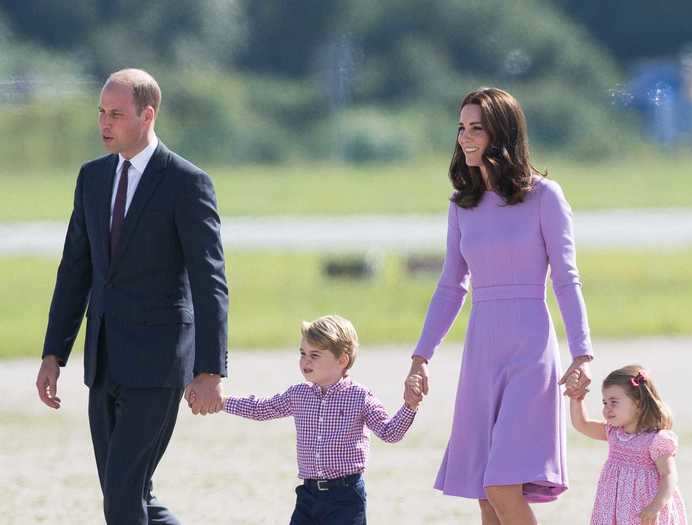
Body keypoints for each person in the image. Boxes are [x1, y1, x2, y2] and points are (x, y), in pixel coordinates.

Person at [34, 68, 229, 525]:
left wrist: (210, 370)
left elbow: (210, 281)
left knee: (123, 502)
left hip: (157, 367)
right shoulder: (92, 179)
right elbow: (75, 271)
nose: (104, 123)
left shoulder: (187, 182)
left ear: (147, 115)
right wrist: (52, 354)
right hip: (102, 363)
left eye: (116, 114)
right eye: (101, 112)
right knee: (130, 499)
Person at [404, 87, 593, 525]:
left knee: (501, 484)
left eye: (476, 129)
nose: (465, 138)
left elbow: (566, 278)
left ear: (502, 134)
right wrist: (420, 357)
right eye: (461, 129)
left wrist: (583, 353)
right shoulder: (462, 205)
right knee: (485, 494)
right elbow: (451, 285)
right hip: (481, 354)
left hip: (530, 350)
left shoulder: (545, 196)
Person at [201, 315, 420, 525]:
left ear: (342, 360)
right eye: (302, 353)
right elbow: (262, 408)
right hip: (308, 495)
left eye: (315, 355)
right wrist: (223, 402)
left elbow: (389, 432)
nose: (305, 361)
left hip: (345, 495)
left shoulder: (360, 397)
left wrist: (409, 406)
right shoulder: (299, 394)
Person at [568, 365, 687, 524]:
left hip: (645, 510)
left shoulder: (656, 440)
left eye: (614, 402)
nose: (606, 409)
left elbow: (669, 476)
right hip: (613, 510)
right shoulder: (613, 432)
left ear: (638, 403)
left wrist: (656, 506)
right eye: (605, 402)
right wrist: (577, 399)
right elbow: (581, 424)